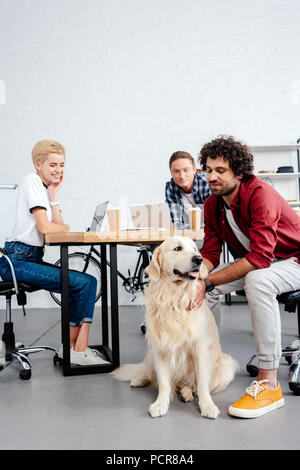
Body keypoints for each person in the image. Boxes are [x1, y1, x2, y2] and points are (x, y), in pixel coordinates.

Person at [195, 135, 300, 418]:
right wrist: (199, 281)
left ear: (238, 172)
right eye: (208, 169)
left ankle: (268, 382)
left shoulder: (260, 194)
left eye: (220, 171)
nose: (211, 176)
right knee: (205, 289)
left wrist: (208, 281)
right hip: (267, 261)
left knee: (257, 279)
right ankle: (207, 364)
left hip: (295, 260)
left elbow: (259, 258)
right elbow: (211, 254)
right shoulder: (212, 205)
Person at [0, 139, 109, 366]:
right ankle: (79, 349)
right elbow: (48, 228)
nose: (59, 170)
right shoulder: (31, 180)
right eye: (53, 165)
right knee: (86, 283)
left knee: (84, 282)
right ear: (38, 165)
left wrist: (53, 195)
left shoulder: (43, 189)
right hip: (16, 261)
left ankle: (70, 348)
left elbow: (57, 227)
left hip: (29, 258)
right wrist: (63, 227)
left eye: (62, 165)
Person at [165, 151, 211, 229]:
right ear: (171, 173)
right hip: (187, 234)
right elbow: (176, 222)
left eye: (186, 170)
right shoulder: (171, 187)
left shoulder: (206, 183)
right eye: (176, 171)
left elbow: (212, 219)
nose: (181, 176)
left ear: (194, 170)